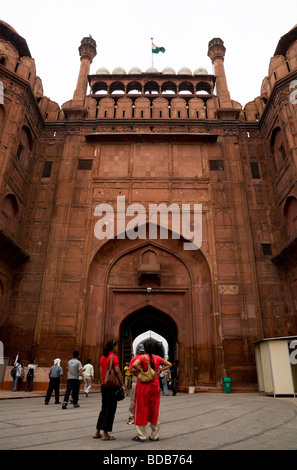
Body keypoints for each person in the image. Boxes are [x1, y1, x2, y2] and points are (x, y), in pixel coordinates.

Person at [132, 340, 172, 442]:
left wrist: (141, 370)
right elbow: (169, 364)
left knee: (142, 407)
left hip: (143, 385)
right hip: (155, 384)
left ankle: (141, 435)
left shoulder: (142, 357)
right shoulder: (157, 358)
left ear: (144, 348)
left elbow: (134, 365)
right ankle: (155, 435)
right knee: (154, 408)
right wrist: (159, 370)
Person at [93, 339, 125, 441]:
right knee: (110, 409)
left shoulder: (102, 357)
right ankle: (105, 434)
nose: (117, 348)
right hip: (111, 386)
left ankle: (97, 431)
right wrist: (122, 384)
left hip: (104, 385)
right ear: (114, 346)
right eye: (116, 346)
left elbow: (101, 371)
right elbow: (117, 371)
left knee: (104, 408)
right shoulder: (114, 357)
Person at [127, 344, 145, 425]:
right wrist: (139, 369)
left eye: (143, 350)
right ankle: (131, 417)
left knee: (143, 399)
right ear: (138, 350)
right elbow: (130, 370)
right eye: (140, 350)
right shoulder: (134, 359)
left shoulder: (146, 359)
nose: (142, 351)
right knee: (133, 399)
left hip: (144, 379)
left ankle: (142, 416)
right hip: (136, 378)